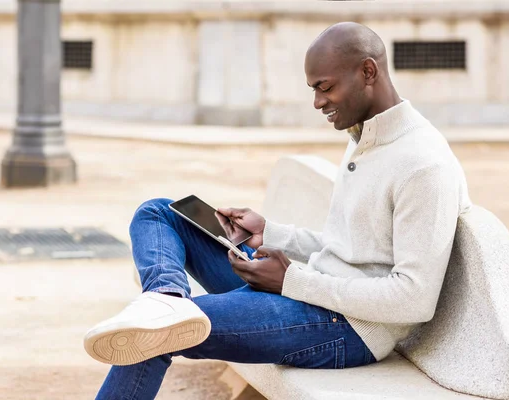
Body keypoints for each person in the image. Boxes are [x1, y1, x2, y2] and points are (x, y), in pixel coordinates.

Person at [83, 22, 474, 399]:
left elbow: (414, 298)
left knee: (156, 331)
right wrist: (269, 233)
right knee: (159, 213)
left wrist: (293, 282)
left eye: (325, 88)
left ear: (367, 72)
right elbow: (351, 246)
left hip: (349, 329)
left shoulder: (423, 164)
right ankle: (165, 295)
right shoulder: (366, 137)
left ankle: (163, 311)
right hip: (311, 292)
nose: (318, 102)